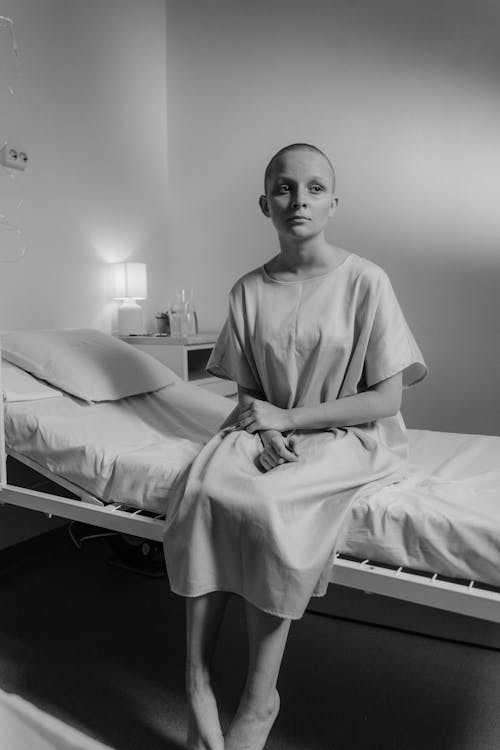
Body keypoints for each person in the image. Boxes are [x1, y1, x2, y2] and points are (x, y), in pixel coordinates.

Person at [163, 143, 427, 750]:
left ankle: (260, 698)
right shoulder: (247, 291)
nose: (298, 200)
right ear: (265, 203)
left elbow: (386, 399)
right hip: (270, 426)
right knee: (203, 487)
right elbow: (249, 389)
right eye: (284, 188)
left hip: (348, 434)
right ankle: (196, 680)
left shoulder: (365, 281)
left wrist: (292, 417)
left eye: (313, 188)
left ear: (334, 203)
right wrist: (269, 424)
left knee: (268, 505)